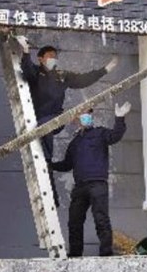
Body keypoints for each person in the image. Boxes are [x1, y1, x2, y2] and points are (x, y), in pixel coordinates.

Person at [16, 35, 118, 204]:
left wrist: (106, 69)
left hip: (55, 119)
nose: (53, 59)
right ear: (40, 58)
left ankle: (46, 159)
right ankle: (51, 189)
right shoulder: (36, 73)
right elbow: (26, 71)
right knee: (42, 133)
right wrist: (25, 51)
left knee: (45, 127)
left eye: (55, 56)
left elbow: (83, 80)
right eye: (50, 56)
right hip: (37, 120)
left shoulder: (62, 76)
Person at [51, 103, 131, 257]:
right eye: (83, 114)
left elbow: (115, 136)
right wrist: (50, 165)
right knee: (74, 222)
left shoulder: (100, 133)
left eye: (88, 113)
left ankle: (106, 253)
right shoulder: (74, 143)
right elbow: (67, 164)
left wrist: (120, 118)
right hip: (80, 186)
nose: (87, 116)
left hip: (97, 184)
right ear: (76, 119)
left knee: (101, 219)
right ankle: (75, 255)